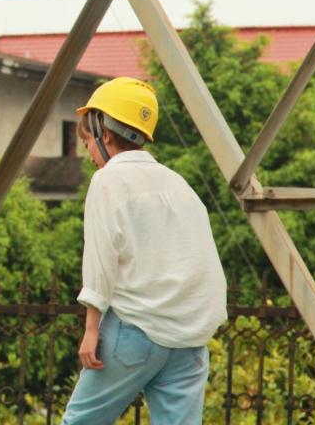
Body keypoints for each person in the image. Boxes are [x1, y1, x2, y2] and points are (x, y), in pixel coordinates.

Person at [61, 76, 227, 424]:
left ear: (104, 134)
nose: (88, 152)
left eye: (87, 141)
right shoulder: (177, 183)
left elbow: (101, 262)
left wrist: (91, 330)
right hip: (189, 340)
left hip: (135, 332)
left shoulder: (108, 180)